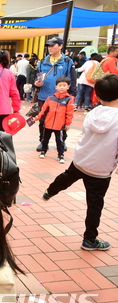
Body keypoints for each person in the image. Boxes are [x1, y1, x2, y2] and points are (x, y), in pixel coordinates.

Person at [42, 74, 118, 251]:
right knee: (95, 205)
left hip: (81, 160)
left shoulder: (92, 113)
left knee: (66, 178)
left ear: (97, 96)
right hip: (101, 169)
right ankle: (89, 239)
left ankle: (50, 191)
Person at [34, 37, 77, 152]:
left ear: (60, 46)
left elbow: (72, 80)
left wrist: (71, 96)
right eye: (49, 46)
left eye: (53, 45)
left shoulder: (68, 61)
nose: (50, 48)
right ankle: (43, 142)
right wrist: (36, 83)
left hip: (62, 98)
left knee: (62, 120)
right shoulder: (43, 62)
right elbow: (37, 76)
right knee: (43, 119)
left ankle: (62, 142)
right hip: (44, 96)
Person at [32, 76, 74, 164]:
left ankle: (61, 155)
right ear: (56, 87)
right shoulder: (50, 98)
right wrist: (36, 118)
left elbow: (69, 113)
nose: (62, 87)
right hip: (48, 123)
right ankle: (43, 151)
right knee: (45, 138)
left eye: (64, 85)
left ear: (68, 87)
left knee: (60, 141)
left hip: (60, 125)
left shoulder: (69, 99)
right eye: (60, 85)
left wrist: (68, 124)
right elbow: (43, 110)